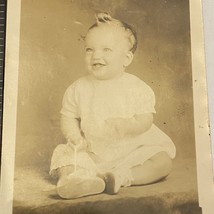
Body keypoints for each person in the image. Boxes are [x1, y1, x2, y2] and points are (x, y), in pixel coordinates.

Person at [49, 12, 176, 199]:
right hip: (92, 151)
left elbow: (146, 119)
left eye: (106, 49)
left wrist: (128, 125)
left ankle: (120, 177)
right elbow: (68, 116)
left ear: (126, 59)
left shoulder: (137, 87)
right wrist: (75, 137)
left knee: (162, 161)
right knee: (65, 156)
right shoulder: (78, 88)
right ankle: (76, 180)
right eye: (89, 49)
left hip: (132, 151)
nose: (96, 55)